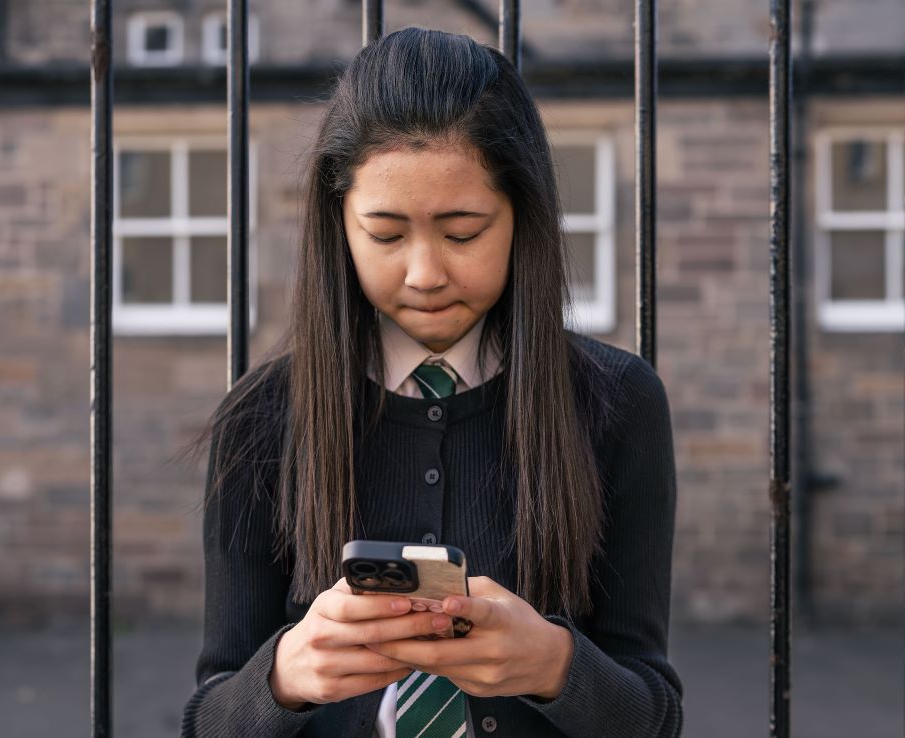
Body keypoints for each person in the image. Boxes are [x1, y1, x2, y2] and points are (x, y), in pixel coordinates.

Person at [178, 26, 682, 738]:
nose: (424, 274)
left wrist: (555, 665)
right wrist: (283, 678)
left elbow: (654, 716)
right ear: (338, 225)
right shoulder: (261, 416)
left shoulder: (619, 402)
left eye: (463, 231)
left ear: (522, 216)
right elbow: (207, 720)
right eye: (385, 234)